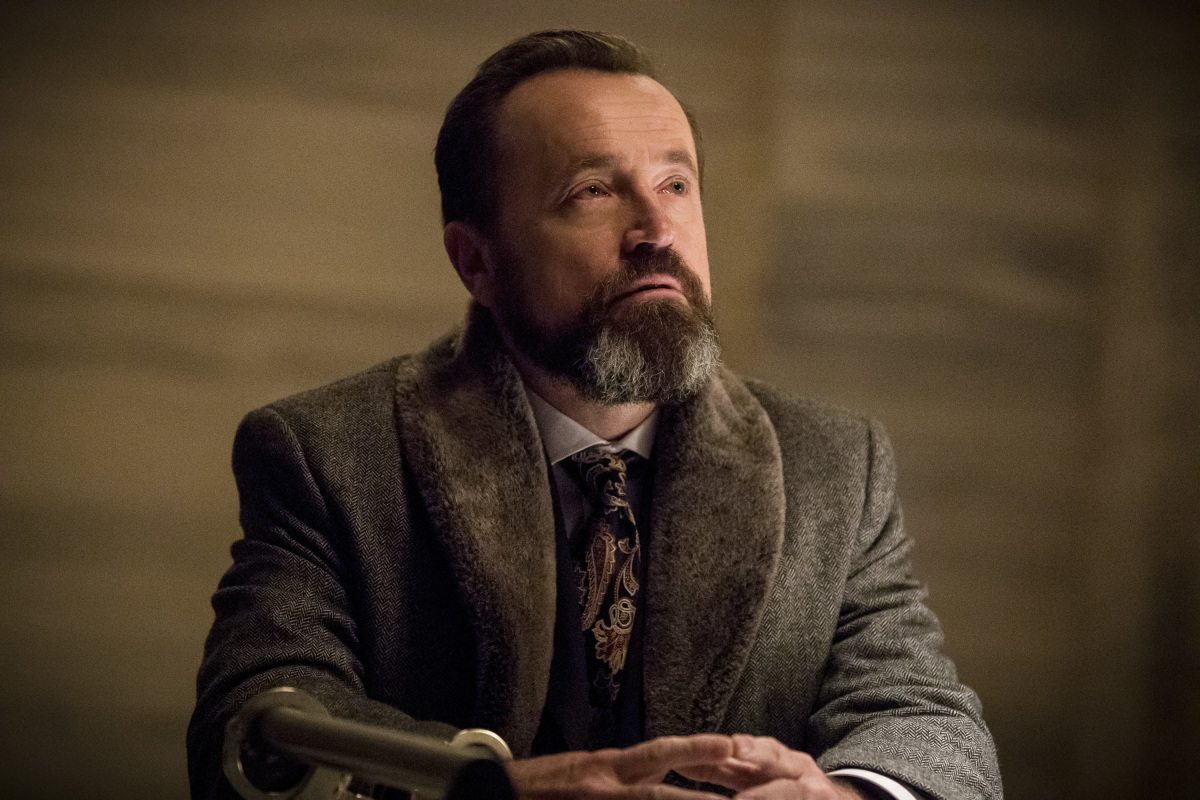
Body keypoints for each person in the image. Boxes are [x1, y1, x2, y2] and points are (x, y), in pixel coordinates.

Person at [188, 29, 1001, 800]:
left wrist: (843, 793)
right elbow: (257, 723)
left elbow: (924, 720)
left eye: (676, 185)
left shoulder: (834, 461)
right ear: (476, 261)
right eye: (593, 191)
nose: (657, 230)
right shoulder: (327, 453)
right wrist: (492, 793)